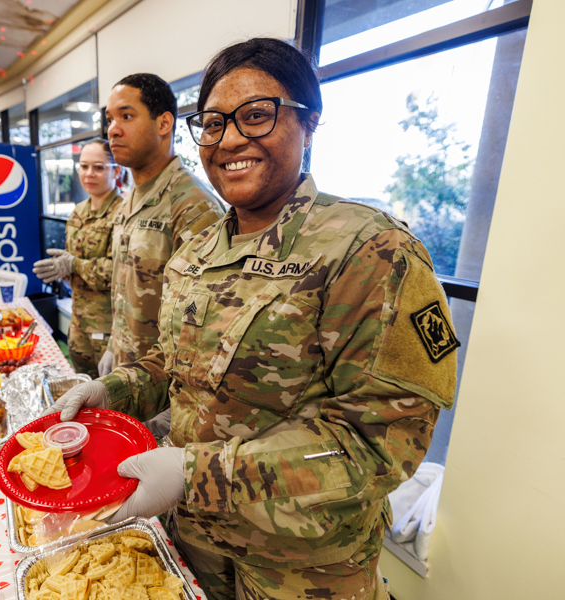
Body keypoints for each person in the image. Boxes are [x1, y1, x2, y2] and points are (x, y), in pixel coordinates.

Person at [44, 38, 458, 600]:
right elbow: (176, 363)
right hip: (193, 539)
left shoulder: (368, 250)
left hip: (302, 566)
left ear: (309, 123)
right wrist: (113, 390)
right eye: (212, 123)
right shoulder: (198, 251)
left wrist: (198, 473)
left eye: (257, 115)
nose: (231, 138)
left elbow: (380, 441)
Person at [96, 73, 225, 377]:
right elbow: (126, 285)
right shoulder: (130, 199)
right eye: (109, 119)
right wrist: (114, 346)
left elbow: (204, 323)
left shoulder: (192, 205)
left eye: (126, 116)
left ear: (164, 123)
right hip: (126, 370)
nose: (112, 130)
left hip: (163, 384)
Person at [32, 139, 125, 378]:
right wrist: (63, 270)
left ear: (116, 170)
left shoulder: (124, 212)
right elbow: (74, 260)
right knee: (82, 390)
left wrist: (74, 264)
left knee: (110, 397)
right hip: (79, 320)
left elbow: (122, 272)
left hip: (109, 327)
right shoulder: (78, 211)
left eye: (98, 167)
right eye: (83, 166)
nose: (89, 174)